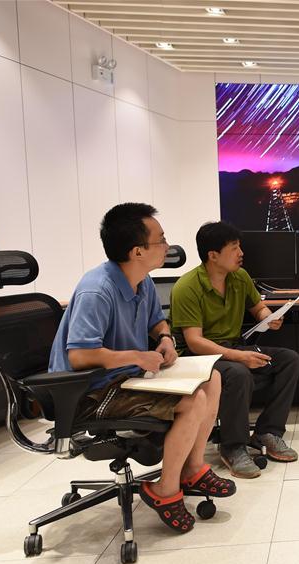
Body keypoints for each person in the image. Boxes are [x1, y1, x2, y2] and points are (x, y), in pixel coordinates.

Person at [49, 203, 235, 534]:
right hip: (90, 391)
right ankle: (165, 490)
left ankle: (192, 468)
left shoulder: (142, 281)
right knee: (192, 400)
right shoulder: (97, 290)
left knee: (212, 379)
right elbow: (79, 356)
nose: (167, 245)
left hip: (125, 379)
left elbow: (156, 322)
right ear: (138, 251)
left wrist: (164, 339)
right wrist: (136, 357)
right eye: (160, 240)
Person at [170, 221, 299, 479]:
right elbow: (195, 341)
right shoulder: (187, 287)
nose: (241, 253)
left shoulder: (240, 277)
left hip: (232, 347)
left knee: (289, 360)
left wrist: (268, 316)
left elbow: (257, 307)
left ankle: (268, 431)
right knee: (238, 373)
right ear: (213, 255)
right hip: (198, 358)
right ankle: (233, 447)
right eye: (234, 248)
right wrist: (240, 356)